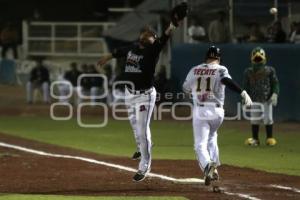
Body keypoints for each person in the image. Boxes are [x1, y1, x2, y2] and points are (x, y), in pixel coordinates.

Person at [97, 2, 188, 182]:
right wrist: (108, 57)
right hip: (129, 94)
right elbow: (119, 52)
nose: (147, 35)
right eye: (145, 33)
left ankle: (145, 164)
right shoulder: (132, 47)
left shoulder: (153, 51)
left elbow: (166, 36)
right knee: (134, 125)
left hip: (144, 95)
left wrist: (174, 24)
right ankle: (142, 146)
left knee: (142, 128)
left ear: (153, 39)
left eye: (151, 34)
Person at [182, 46, 252, 186]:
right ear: (218, 59)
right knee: (212, 137)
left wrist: (195, 93)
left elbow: (186, 88)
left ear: (206, 58)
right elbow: (226, 81)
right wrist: (242, 92)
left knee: (200, 145)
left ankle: (208, 166)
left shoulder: (194, 69)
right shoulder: (221, 69)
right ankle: (214, 171)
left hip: (201, 111)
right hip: (218, 113)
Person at [244, 47, 280, 146]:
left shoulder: (270, 70)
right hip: (254, 99)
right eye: (256, 59)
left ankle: (270, 137)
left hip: (267, 99)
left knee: (268, 118)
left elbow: (275, 83)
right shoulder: (248, 72)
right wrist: (245, 99)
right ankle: (255, 139)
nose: (258, 61)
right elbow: (245, 87)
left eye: (259, 58)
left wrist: (275, 94)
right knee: (255, 119)